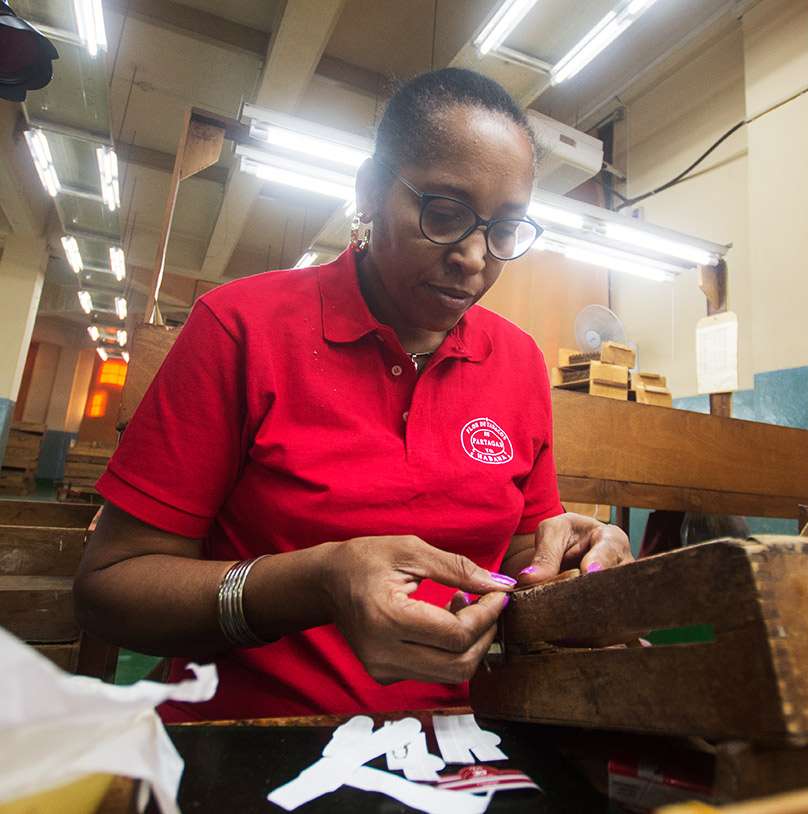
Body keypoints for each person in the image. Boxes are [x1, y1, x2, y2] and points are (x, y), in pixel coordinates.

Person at [73, 68, 632, 720]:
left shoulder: (517, 362)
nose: (475, 257)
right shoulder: (243, 329)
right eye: (444, 214)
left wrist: (577, 567)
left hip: (463, 743)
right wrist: (317, 583)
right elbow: (109, 589)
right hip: (253, 737)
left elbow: (520, 560)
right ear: (369, 190)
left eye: (505, 229)